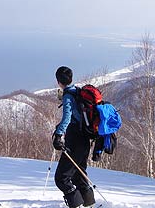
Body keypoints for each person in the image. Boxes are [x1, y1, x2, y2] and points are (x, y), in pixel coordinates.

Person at [52, 66, 95, 208]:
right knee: (79, 174)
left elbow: (68, 117)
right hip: (84, 140)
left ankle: (76, 205)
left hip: (75, 140)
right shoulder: (77, 91)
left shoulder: (68, 96)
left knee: (61, 178)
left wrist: (59, 134)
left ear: (58, 81)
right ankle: (89, 204)